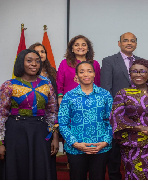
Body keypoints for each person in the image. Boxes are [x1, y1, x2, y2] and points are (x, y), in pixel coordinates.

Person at [0, 49, 58, 179]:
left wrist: (55, 137)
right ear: (21, 62)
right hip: (16, 131)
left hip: (41, 132)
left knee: (40, 168)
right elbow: (1, 115)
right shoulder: (9, 85)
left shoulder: (47, 85)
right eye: (29, 60)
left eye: (37, 61)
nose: (34, 64)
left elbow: (52, 112)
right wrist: (0, 143)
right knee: (18, 168)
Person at [58, 61, 113, 180]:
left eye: (89, 71)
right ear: (76, 76)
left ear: (94, 74)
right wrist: (75, 143)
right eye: (81, 72)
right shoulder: (69, 96)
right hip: (76, 148)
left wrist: (105, 142)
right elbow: (62, 123)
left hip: (100, 147)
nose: (86, 74)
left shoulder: (105, 95)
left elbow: (112, 121)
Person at [101, 32, 141, 179]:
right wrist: (115, 113)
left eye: (132, 41)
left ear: (136, 44)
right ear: (119, 43)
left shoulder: (142, 62)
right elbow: (106, 89)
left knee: (137, 152)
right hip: (117, 114)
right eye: (125, 40)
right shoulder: (109, 61)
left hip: (139, 115)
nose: (129, 43)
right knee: (115, 154)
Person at [29, 42, 59, 178]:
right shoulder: (25, 74)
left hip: (50, 115)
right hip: (31, 117)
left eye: (42, 51)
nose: (40, 54)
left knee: (48, 152)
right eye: (37, 51)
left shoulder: (52, 72)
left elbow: (56, 96)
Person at [56, 35, 101, 105]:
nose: (80, 47)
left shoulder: (95, 64)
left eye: (83, 45)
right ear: (72, 49)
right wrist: (60, 99)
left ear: (88, 48)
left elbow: (98, 84)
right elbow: (59, 84)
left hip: (91, 102)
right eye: (77, 45)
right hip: (70, 102)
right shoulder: (64, 63)